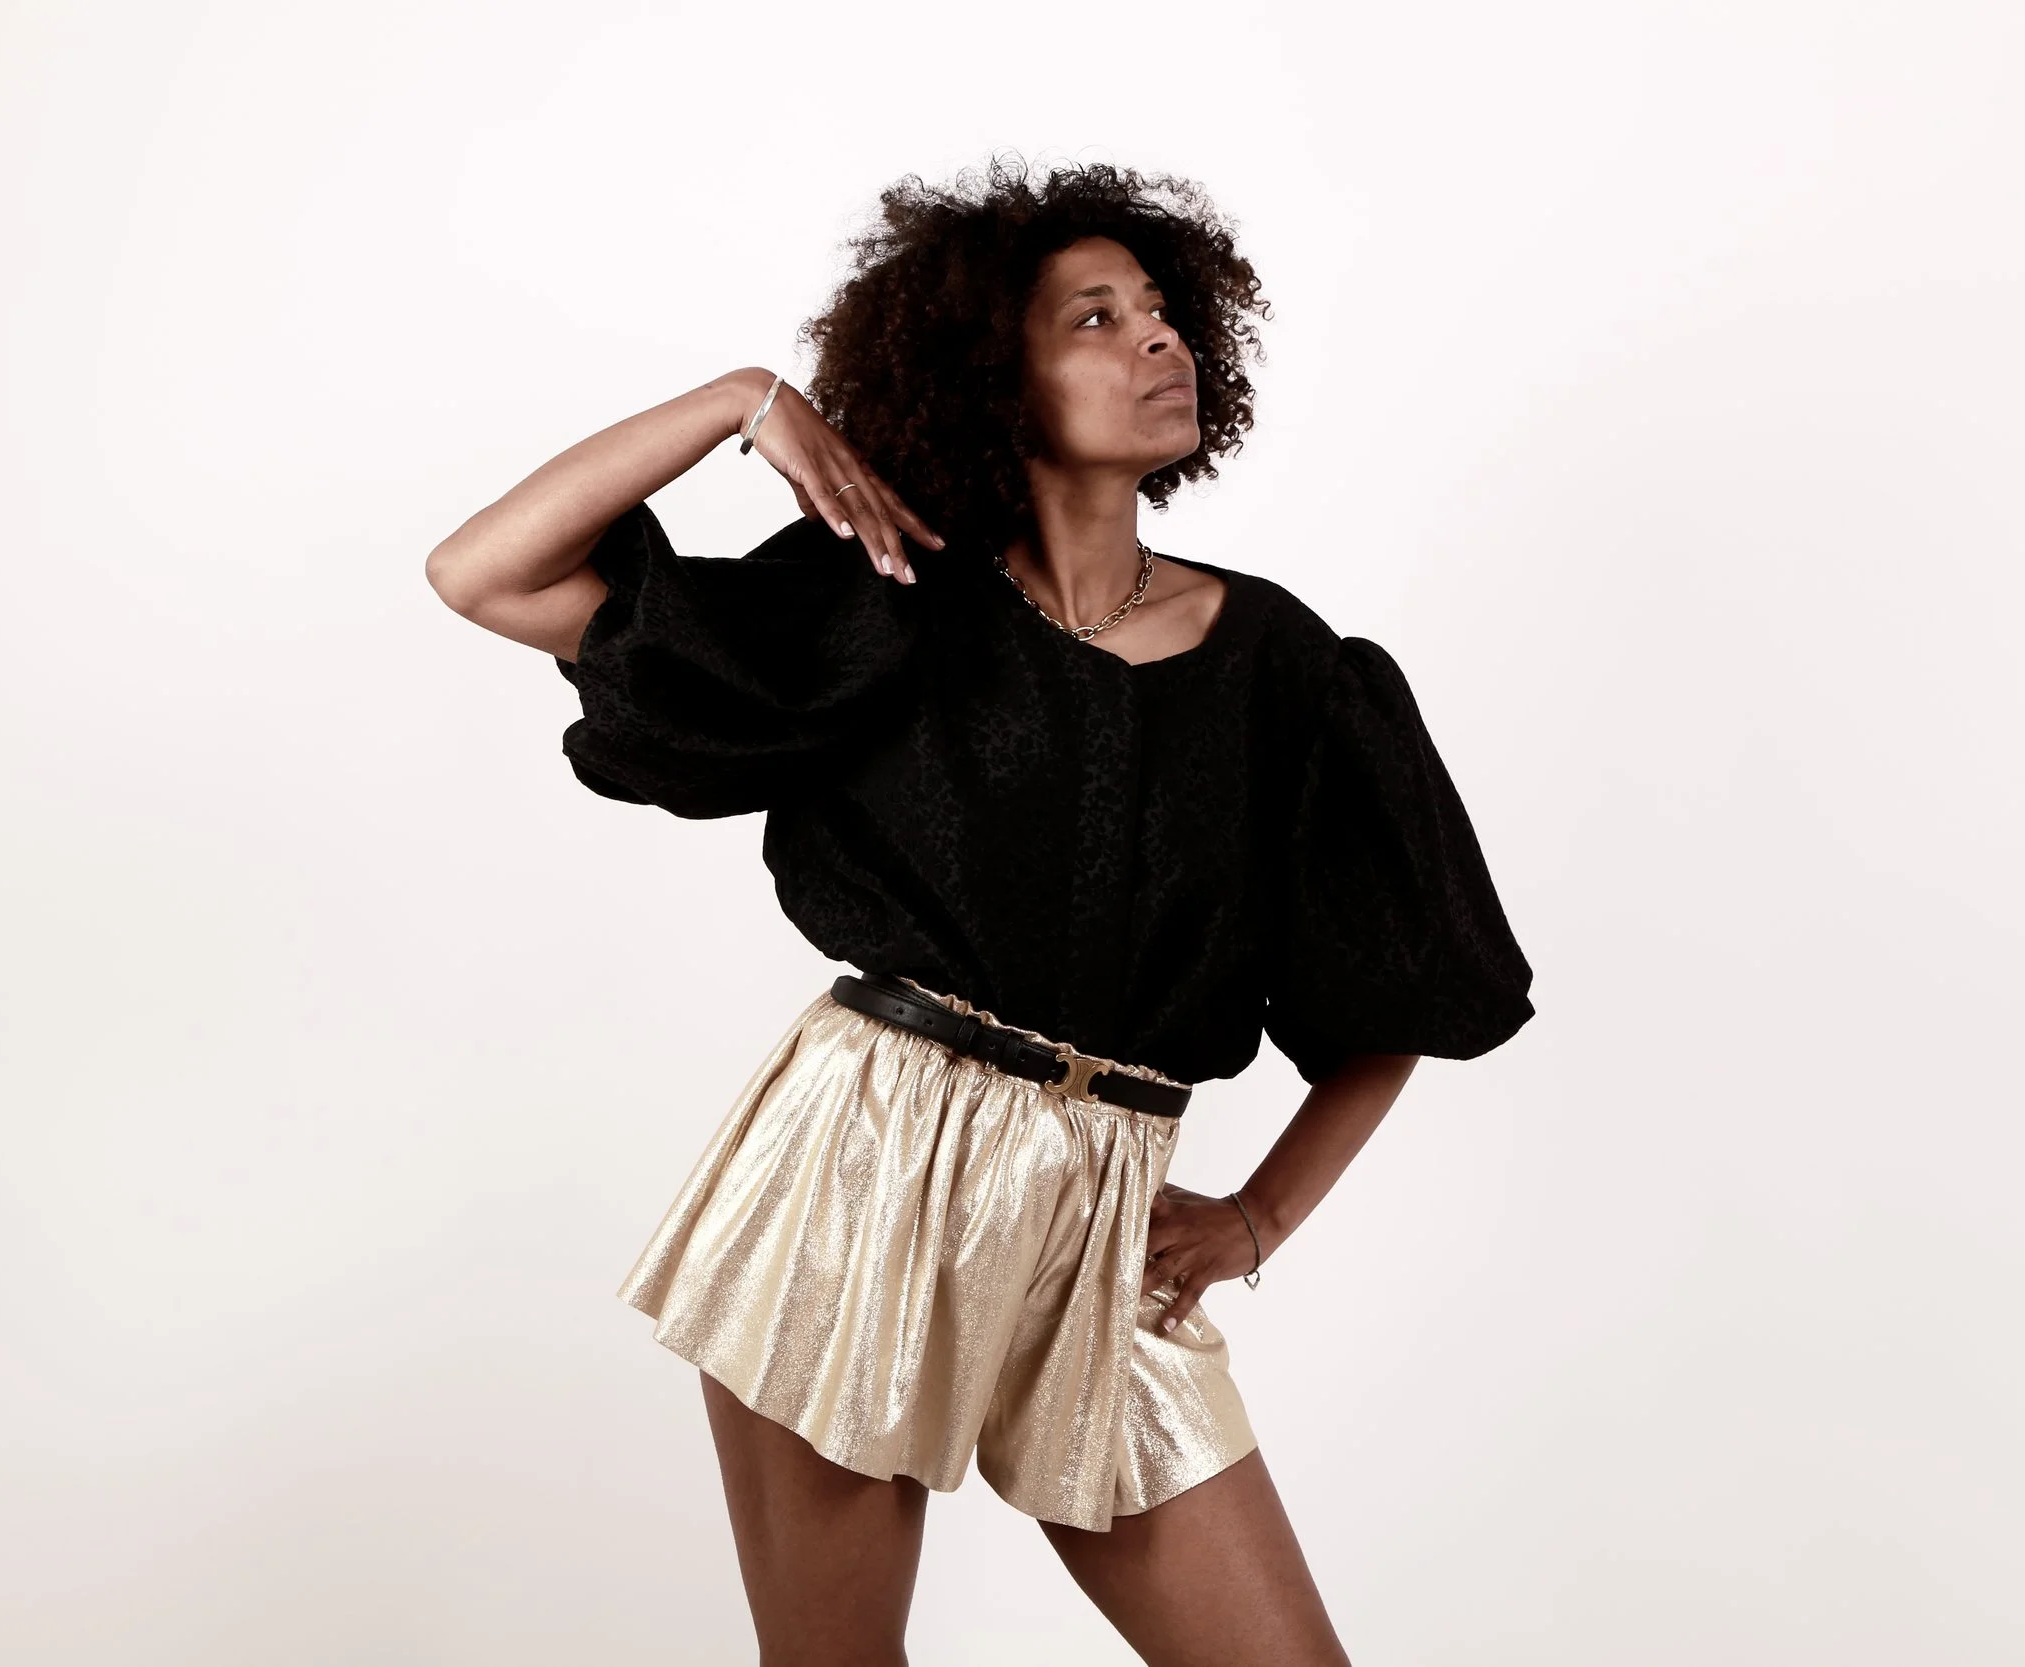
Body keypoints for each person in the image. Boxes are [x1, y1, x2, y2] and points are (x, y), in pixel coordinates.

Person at [424, 155, 1533, 1667]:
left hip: (1105, 1220)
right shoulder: (891, 587)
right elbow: (485, 572)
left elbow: (1407, 984)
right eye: (1094, 318)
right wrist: (739, 400)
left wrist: (1263, 1212)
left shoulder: (1287, 666)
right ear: (991, 377)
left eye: (1162, 311)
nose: (1159, 342)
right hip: (863, 1167)